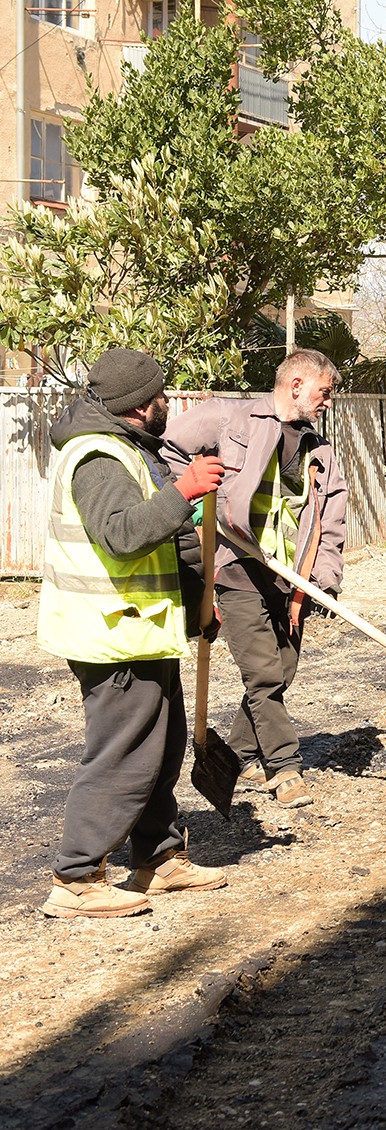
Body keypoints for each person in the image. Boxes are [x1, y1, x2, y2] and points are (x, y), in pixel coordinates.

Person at [37, 349, 229, 918]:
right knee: (123, 755)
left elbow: (167, 538)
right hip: (112, 632)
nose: (169, 401)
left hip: (145, 626)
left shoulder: (131, 449)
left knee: (161, 750)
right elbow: (122, 536)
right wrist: (184, 491)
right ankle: (75, 878)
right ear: (143, 406)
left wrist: (199, 601)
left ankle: (159, 859)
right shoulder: (97, 456)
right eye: (163, 394)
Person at [164, 349, 348, 809]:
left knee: (282, 671)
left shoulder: (319, 450)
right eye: (324, 392)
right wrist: (189, 501)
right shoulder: (230, 417)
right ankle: (284, 768)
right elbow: (166, 450)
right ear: (297, 385)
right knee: (264, 675)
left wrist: (323, 579)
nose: (328, 401)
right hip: (235, 566)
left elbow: (332, 520)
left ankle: (241, 753)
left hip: (289, 576)